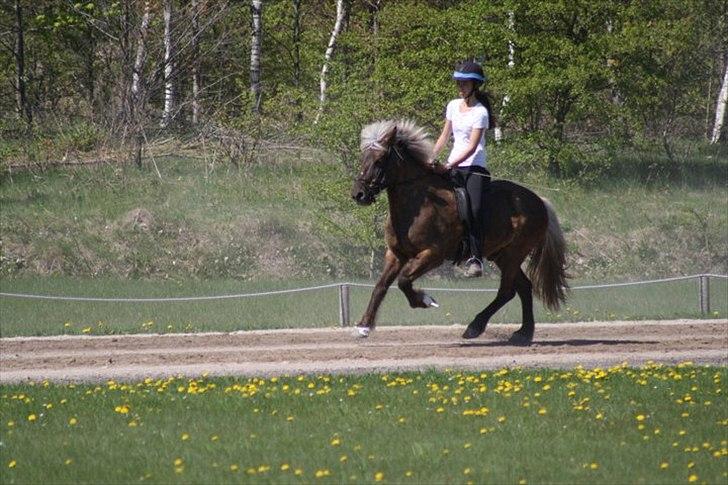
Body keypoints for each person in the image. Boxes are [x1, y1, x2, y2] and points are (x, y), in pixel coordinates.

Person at [429, 61, 495, 277]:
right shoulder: (452, 105)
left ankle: (476, 258)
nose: (461, 86)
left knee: (473, 211)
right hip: (452, 165)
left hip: (473, 167)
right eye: (459, 82)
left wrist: (449, 164)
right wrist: (431, 156)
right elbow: (444, 136)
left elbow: (472, 146)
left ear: (475, 85)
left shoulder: (480, 112)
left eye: (465, 83)